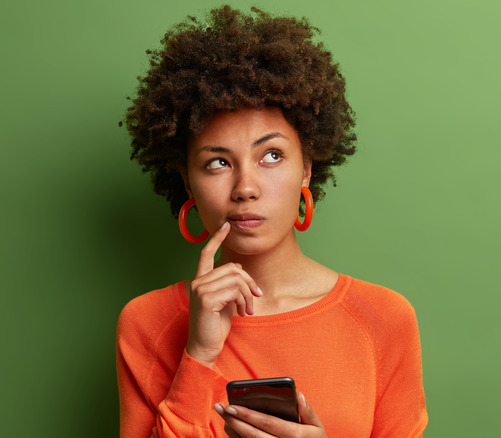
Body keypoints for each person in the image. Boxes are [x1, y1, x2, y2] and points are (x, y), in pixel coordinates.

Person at [116, 6, 427, 437]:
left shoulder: (383, 319)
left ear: (307, 169)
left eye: (272, 155)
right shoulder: (147, 323)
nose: (246, 187)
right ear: (187, 182)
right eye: (218, 162)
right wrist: (199, 355)